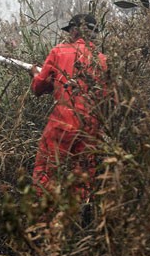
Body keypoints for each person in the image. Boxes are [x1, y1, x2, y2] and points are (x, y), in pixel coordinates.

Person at [29, 13, 108, 200]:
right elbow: (104, 96)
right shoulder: (102, 60)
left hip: (62, 121)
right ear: (94, 34)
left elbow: (39, 87)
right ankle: (77, 216)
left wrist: (34, 74)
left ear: (73, 31)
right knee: (82, 174)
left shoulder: (59, 51)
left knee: (48, 169)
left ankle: (44, 215)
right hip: (90, 124)